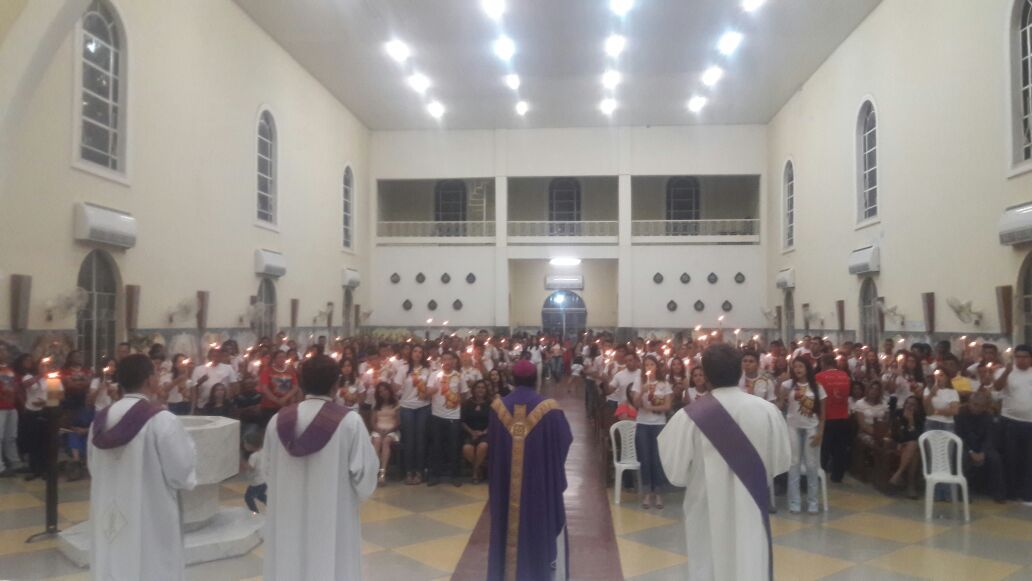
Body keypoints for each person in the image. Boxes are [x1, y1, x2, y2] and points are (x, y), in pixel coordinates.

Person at [659, 344, 791, 581]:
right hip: (751, 505)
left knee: (708, 566)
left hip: (706, 509)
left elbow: (675, 474)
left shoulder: (688, 417)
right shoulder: (768, 411)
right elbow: (780, 463)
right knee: (750, 564)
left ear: (706, 376)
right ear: (740, 370)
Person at [261, 354, 379, 580]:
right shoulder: (349, 422)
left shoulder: (278, 421)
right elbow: (365, 476)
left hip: (288, 515)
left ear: (301, 383)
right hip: (333, 517)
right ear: (336, 385)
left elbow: (266, 471)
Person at [88, 354, 197, 581]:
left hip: (110, 516)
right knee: (152, 565)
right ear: (150, 380)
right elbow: (181, 472)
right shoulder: (161, 420)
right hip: (151, 514)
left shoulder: (99, 421)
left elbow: (93, 468)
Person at [487, 359, 573, 581]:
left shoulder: (497, 408)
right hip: (540, 486)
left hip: (506, 485)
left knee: (506, 524)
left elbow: (493, 449)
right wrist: (549, 467)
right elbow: (565, 440)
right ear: (535, 380)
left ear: (513, 380)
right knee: (538, 524)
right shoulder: (550, 409)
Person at [782, 357, 826, 513]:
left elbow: (822, 414)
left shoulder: (818, 388)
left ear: (807, 368)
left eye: (801, 366)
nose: (798, 369)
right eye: (795, 367)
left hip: (811, 428)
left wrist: (820, 432)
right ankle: (794, 502)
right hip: (793, 427)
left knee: (811, 465)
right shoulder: (788, 385)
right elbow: (781, 405)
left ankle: (813, 502)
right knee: (793, 464)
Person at [992, 344, 1032, 505]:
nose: (1021, 360)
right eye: (1018, 357)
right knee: (1010, 457)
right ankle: (1010, 492)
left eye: (1025, 357)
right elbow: (997, 387)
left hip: (1030, 422)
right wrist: (1007, 371)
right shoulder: (1005, 372)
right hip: (1010, 420)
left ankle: (1027, 493)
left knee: (1028, 459)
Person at [632, 355, 673, 509]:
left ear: (657, 367)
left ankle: (658, 492)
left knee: (657, 458)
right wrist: (641, 391)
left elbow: (668, 406)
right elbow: (636, 404)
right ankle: (647, 492)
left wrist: (651, 408)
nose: (649, 367)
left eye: (652, 364)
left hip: (658, 423)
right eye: (646, 365)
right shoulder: (640, 382)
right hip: (643, 423)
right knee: (645, 457)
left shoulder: (664, 384)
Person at [955, 390, 1006, 503]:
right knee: (963, 458)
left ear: (985, 407)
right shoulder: (960, 414)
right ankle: (963, 492)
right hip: (965, 446)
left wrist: (983, 452)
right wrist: (971, 452)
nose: (976, 408)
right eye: (975, 405)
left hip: (982, 447)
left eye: (981, 406)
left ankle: (997, 492)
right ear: (969, 402)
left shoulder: (987, 416)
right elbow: (959, 436)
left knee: (995, 458)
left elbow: (989, 437)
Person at [427, 352, 469, 486]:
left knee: (454, 446)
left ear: (454, 361)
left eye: (450, 359)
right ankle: (435, 474)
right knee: (436, 445)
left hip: (453, 416)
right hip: (437, 415)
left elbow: (464, 394)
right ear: (441, 362)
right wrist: (435, 388)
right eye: (444, 359)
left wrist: (456, 402)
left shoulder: (459, 376)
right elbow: (428, 393)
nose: (447, 362)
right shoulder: (434, 375)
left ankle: (455, 475)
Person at [397, 345, 431, 485]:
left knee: (421, 440)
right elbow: (395, 388)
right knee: (409, 440)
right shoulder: (403, 369)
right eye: (415, 351)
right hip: (407, 407)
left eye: (420, 352)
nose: (417, 354)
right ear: (411, 354)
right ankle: (409, 471)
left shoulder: (427, 371)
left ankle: (420, 471)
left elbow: (431, 388)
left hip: (423, 406)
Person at [816, 353, 852, 483]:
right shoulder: (845, 376)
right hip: (842, 416)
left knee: (823, 449)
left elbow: (817, 398)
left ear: (823, 363)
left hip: (826, 417)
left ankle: (820, 475)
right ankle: (838, 476)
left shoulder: (819, 377)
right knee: (839, 449)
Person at [889, 395, 925, 498]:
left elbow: (917, 436)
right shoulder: (898, 413)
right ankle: (910, 486)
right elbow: (894, 433)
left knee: (914, 447)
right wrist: (901, 442)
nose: (909, 406)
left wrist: (911, 421)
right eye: (908, 403)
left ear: (917, 407)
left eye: (913, 404)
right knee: (915, 450)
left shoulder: (920, 418)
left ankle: (898, 474)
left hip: (910, 445)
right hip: (897, 443)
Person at [370, 381, 400, 486]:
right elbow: (373, 422)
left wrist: (389, 430)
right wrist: (378, 430)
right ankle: (374, 471)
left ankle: (383, 473)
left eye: (385, 390)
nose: (383, 393)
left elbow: (397, 422)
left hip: (391, 430)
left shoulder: (396, 403)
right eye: (380, 391)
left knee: (386, 442)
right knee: (377, 441)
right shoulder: (376, 405)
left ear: (389, 390)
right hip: (378, 429)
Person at [462, 380, 491, 484]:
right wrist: (472, 432)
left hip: (485, 433)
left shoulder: (490, 403)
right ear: (473, 390)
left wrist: (483, 432)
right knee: (466, 448)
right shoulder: (467, 403)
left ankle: (475, 472)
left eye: (483, 387)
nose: (480, 389)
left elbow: (493, 422)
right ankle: (479, 470)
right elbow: (463, 421)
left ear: (486, 390)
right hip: (471, 433)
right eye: (478, 387)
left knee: (482, 446)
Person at [0, 343, 19, 476]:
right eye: (2, 351)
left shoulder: (9, 369)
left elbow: (16, 385)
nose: (5, 353)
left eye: (5, 350)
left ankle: (14, 462)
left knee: (11, 436)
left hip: (11, 406)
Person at [243, 430, 267, 515]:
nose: (244, 445)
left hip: (256, 483)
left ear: (250, 445)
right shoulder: (264, 451)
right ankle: (272, 506)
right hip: (263, 480)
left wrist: (244, 464)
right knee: (260, 496)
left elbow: (251, 468)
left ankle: (255, 513)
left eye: (245, 443)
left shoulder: (253, 456)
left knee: (248, 497)